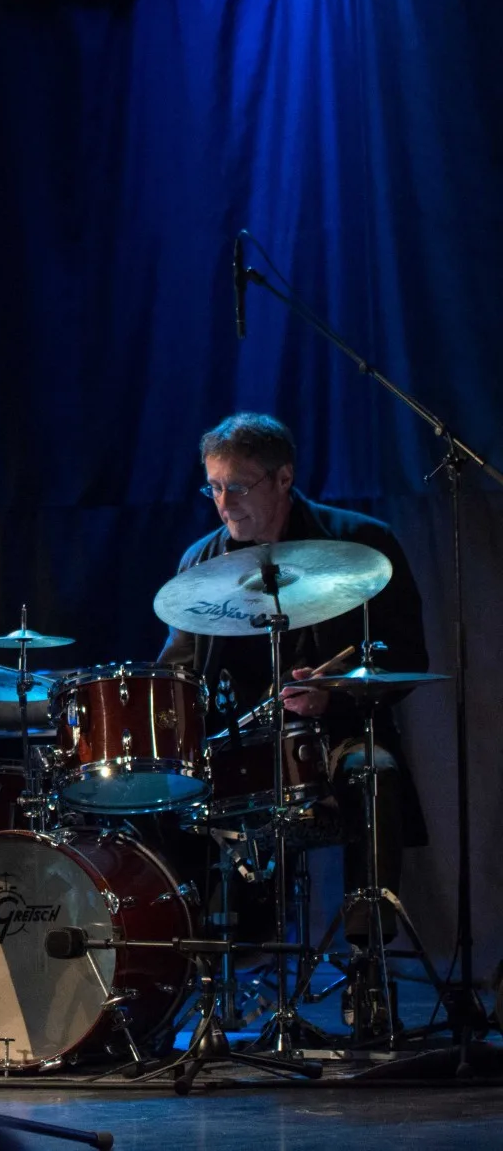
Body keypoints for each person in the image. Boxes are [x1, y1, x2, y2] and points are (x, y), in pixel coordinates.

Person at [157, 413, 428, 1032]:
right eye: (214, 487)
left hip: (338, 736)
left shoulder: (362, 543)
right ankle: (199, 975)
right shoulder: (202, 560)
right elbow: (176, 673)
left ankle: (368, 964)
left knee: (375, 775)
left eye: (239, 487)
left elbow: (408, 658)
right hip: (239, 749)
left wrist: (331, 696)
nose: (224, 503)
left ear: (284, 478)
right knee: (157, 798)